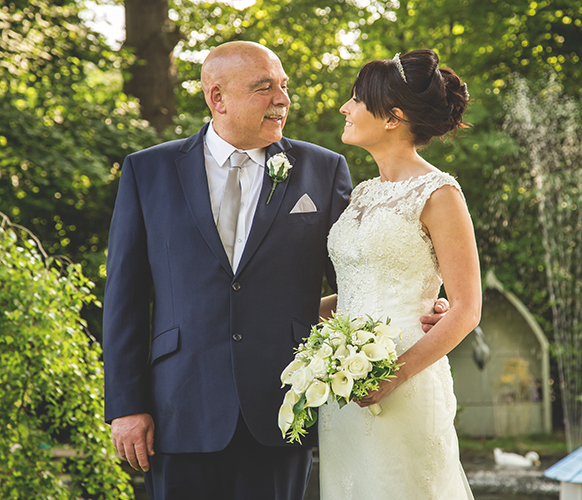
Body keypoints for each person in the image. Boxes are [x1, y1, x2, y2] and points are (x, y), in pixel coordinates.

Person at [102, 41, 446, 500]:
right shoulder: (148, 171)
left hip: (285, 406)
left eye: (283, 86)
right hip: (178, 408)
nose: (281, 99)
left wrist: (425, 302)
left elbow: (360, 275)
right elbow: (124, 298)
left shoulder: (324, 169)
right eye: (264, 88)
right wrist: (126, 406)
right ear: (217, 98)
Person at [317, 49, 481, 499]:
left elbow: (466, 310)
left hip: (404, 382)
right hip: (345, 387)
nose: (344, 108)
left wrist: (392, 375)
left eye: (355, 99)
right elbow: (359, 287)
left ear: (393, 117)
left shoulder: (440, 193)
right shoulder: (364, 193)